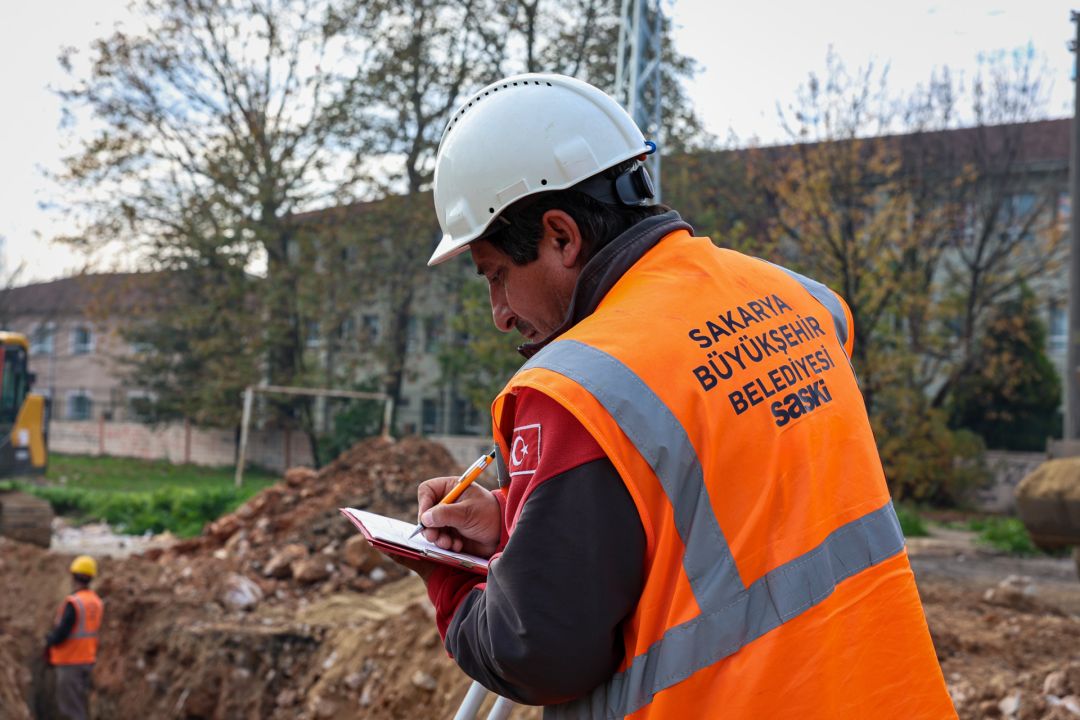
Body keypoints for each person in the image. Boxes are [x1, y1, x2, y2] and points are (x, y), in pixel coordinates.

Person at [410, 73, 956, 718]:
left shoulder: (576, 386)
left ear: (562, 236)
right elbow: (724, 493)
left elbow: (539, 653)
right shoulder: (800, 300)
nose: (499, 312)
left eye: (496, 275)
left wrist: (444, 577)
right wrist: (522, 520)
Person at [45, 555, 104, 720]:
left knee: (72, 709)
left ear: (73, 576)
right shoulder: (96, 601)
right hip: (88, 659)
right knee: (81, 704)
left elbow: (63, 632)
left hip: (70, 661)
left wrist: (49, 641)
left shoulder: (74, 602)